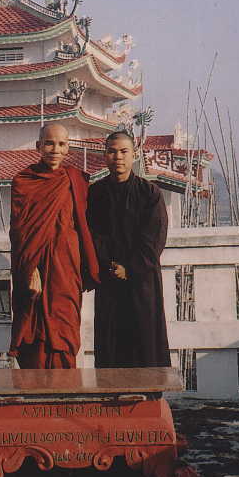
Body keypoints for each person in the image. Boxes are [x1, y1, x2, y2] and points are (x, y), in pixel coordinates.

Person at [8, 123, 100, 368]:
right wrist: (30, 270)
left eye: (61, 144)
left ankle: (64, 386)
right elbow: (19, 233)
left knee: (65, 322)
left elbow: (84, 222)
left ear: (68, 148)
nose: (54, 149)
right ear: (39, 146)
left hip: (67, 266)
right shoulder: (24, 182)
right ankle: (36, 388)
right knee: (35, 326)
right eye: (49, 143)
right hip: (35, 265)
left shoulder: (75, 179)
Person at [88, 130, 171, 368]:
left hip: (142, 281)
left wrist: (130, 268)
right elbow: (90, 234)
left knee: (144, 341)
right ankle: (112, 400)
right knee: (110, 343)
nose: (118, 157)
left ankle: (146, 399)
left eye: (124, 152)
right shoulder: (95, 194)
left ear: (134, 155)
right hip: (109, 278)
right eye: (112, 152)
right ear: (104, 156)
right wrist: (109, 264)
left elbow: (154, 239)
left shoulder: (149, 193)